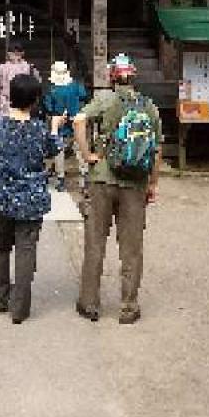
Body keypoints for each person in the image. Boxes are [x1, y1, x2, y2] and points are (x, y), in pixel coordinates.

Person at [73, 55, 161, 324]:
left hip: (102, 179)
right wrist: (153, 183)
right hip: (135, 183)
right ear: (133, 77)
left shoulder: (105, 101)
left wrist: (88, 154)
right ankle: (128, 306)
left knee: (95, 242)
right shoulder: (150, 107)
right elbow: (156, 150)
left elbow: (78, 121)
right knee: (132, 247)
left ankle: (89, 303)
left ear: (112, 77)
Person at [0, 73, 62, 324]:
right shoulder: (39, 129)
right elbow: (54, 149)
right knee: (26, 250)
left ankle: (0, 298)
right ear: (34, 100)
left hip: (1, 196)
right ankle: (20, 308)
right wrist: (55, 126)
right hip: (31, 199)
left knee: (0, 246)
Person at [42, 60, 88, 191]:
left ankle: (61, 179)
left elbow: (48, 106)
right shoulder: (76, 85)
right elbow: (84, 97)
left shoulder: (52, 89)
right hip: (76, 120)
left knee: (59, 151)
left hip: (59, 121)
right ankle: (84, 178)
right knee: (80, 148)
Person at [0, 40, 40, 116]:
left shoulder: (30, 68)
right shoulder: (30, 68)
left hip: (11, 105)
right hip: (19, 105)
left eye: (17, 53)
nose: (15, 55)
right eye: (14, 53)